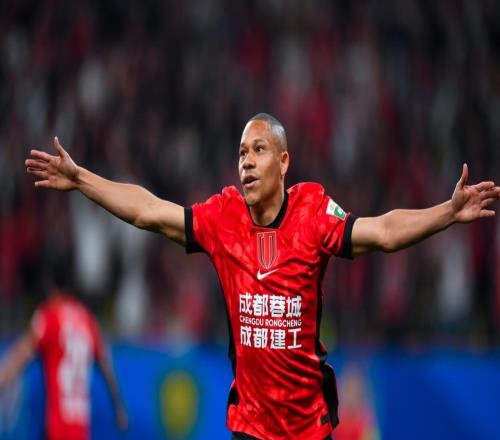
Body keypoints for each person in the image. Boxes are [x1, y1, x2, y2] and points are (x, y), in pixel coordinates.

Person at [25, 113, 499, 439]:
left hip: (310, 428)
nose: (246, 161)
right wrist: (82, 179)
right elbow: (149, 210)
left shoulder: (314, 213)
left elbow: (384, 232)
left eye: (259, 149)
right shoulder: (223, 217)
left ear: (284, 161)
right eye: (241, 152)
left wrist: (447, 212)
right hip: (249, 427)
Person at [0, 273, 128, 440]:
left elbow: (20, 356)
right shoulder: (87, 320)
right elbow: (106, 366)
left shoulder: (50, 316)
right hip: (80, 429)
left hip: (57, 428)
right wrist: (118, 406)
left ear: (50, 287)